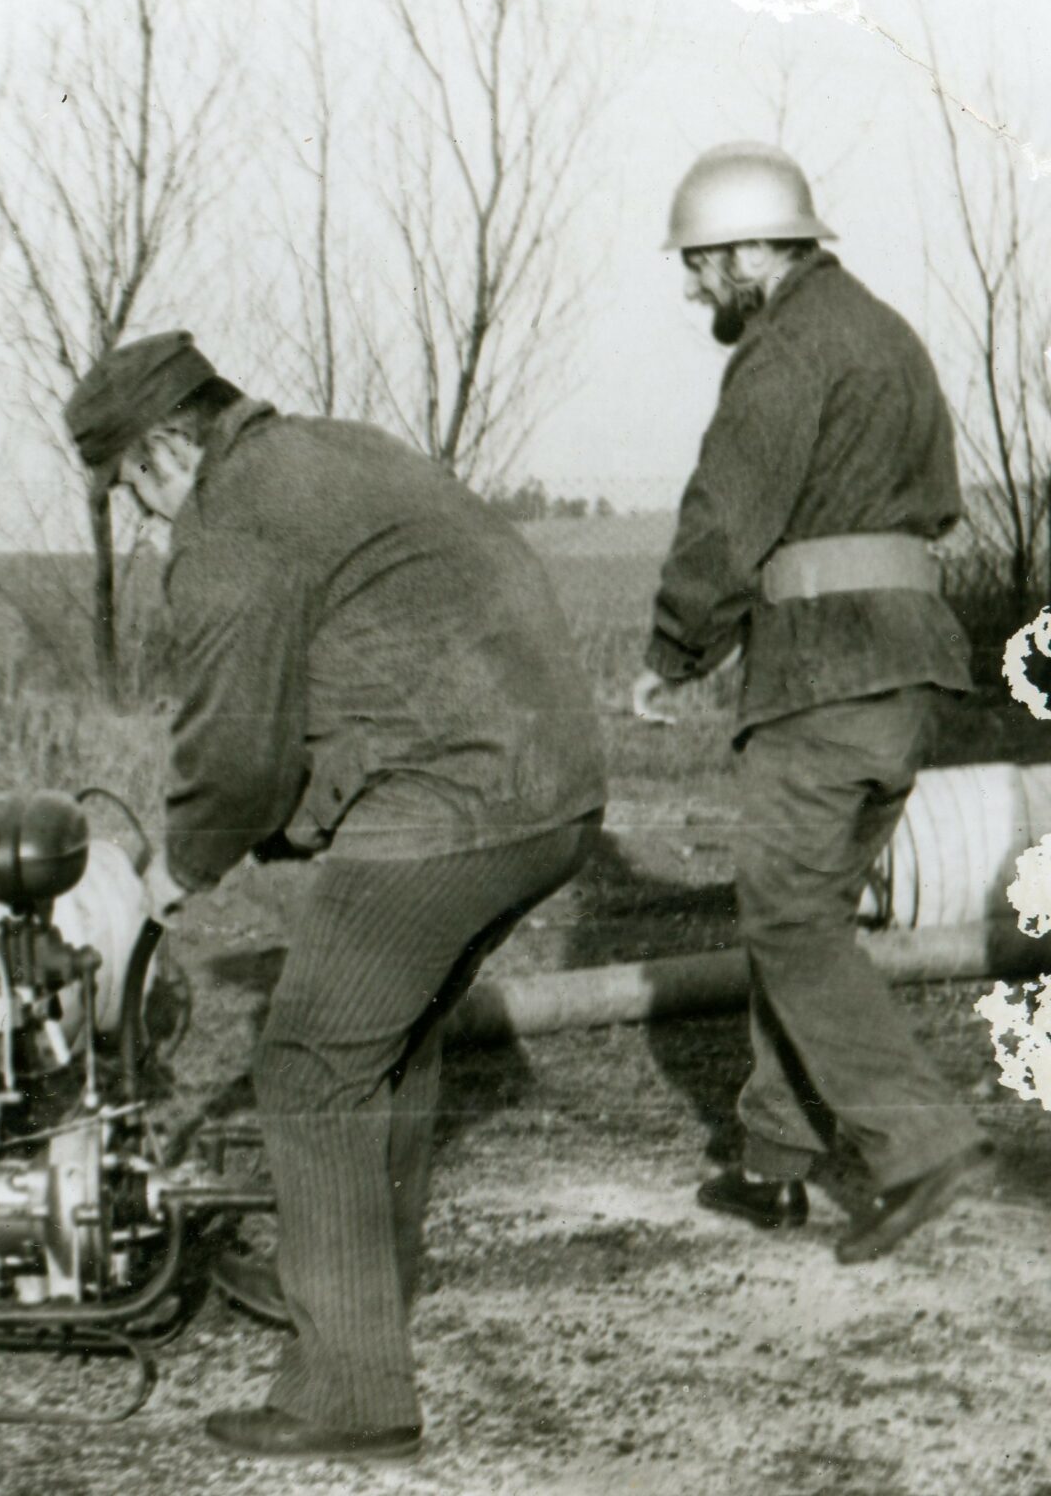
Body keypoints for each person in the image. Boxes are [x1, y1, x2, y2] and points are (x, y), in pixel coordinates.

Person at [63, 332, 607, 1463]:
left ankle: (351, 1394)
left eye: (133, 489)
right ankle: (360, 1283)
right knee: (390, 1040)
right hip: (553, 788)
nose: (145, 516)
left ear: (164, 448)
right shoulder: (333, 451)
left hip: (454, 799)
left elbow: (235, 752)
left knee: (310, 1062)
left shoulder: (231, 520)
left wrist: (172, 876)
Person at [630, 141, 992, 1260]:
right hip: (912, 672)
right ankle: (772, 1164)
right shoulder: (887, 335)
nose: (694, 289)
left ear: (751, 251)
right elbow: (936, 506)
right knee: (805, 917)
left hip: (823, 676)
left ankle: (919, 1141)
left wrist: (674, 648)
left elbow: (725, 518)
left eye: (700, 265)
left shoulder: (783, 350)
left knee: (786, 918)